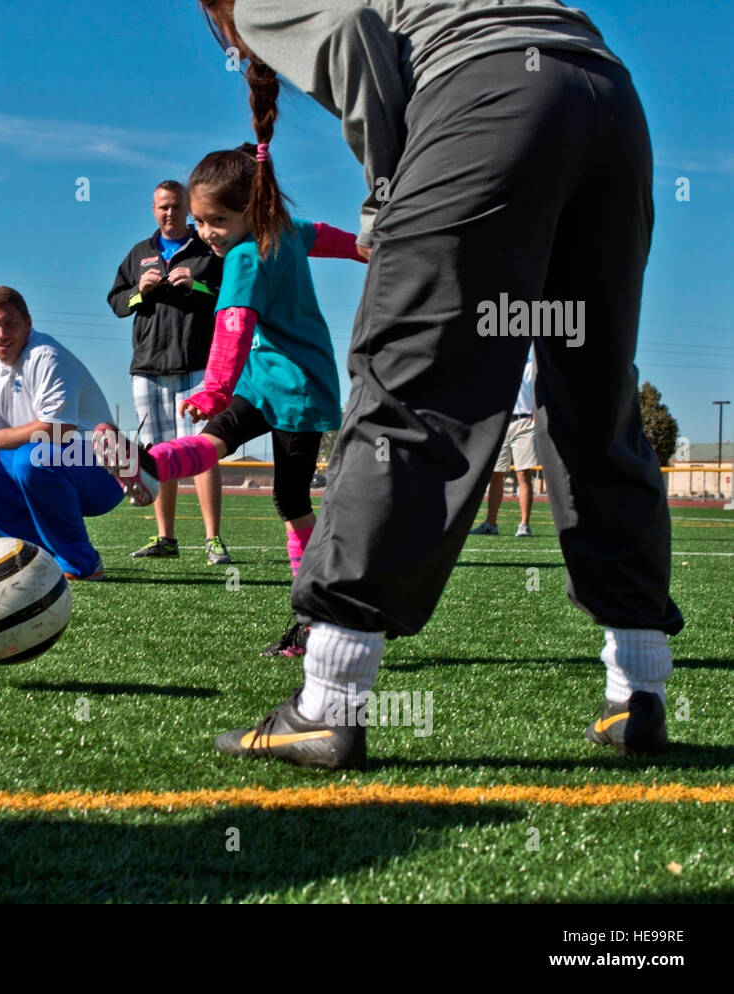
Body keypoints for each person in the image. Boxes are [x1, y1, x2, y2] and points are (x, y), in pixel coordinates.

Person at [199, 0, 682, 768]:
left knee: (409, 382)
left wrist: (387, 192)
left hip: (488, 99)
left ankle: (327, 703)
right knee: (594, 395)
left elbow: (354, 32)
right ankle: (639, 692)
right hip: (609, 103)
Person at [98, 146, 364, 657]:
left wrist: (215, 388)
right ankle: (148, 464)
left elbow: (233, 326)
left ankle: (315, 618)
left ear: (253, 209)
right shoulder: (283, 229)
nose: (206, 233)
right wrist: (363, 248)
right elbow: (324, 235)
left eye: (217, 220)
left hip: (298, 389)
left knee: (290, 501)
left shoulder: (244, 256)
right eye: (199, 220)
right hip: (263, 381)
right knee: (213, 441)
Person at [0, 286, 123, 580]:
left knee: (33, 459)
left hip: (107, 470)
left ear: (28, 322)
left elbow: (60, 428)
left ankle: (81, 563)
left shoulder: (46, 355)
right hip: (51, 462)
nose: (1, 333)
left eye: (10, 324)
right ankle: (42, 556)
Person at [108, 181, 229, 564]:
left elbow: (230, 296)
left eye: (176, 206)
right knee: (158, 454)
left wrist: (198, 287)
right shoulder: (139, 254)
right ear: (153, 209)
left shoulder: (208, 250)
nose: (169, 213)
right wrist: (138, 292)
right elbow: (116, 302)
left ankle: (213, 540)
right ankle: (166, 538)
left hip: (197, 366)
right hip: (147, 367)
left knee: (202, 451)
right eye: (162, 207)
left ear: (188, 208)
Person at [471, 349, 538, 537]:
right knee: (496, 474)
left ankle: (524, 525)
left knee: (524, 474)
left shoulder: (532, 367)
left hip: (524, 422)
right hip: (502, 422)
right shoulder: (501, 368)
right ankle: (490, 523)